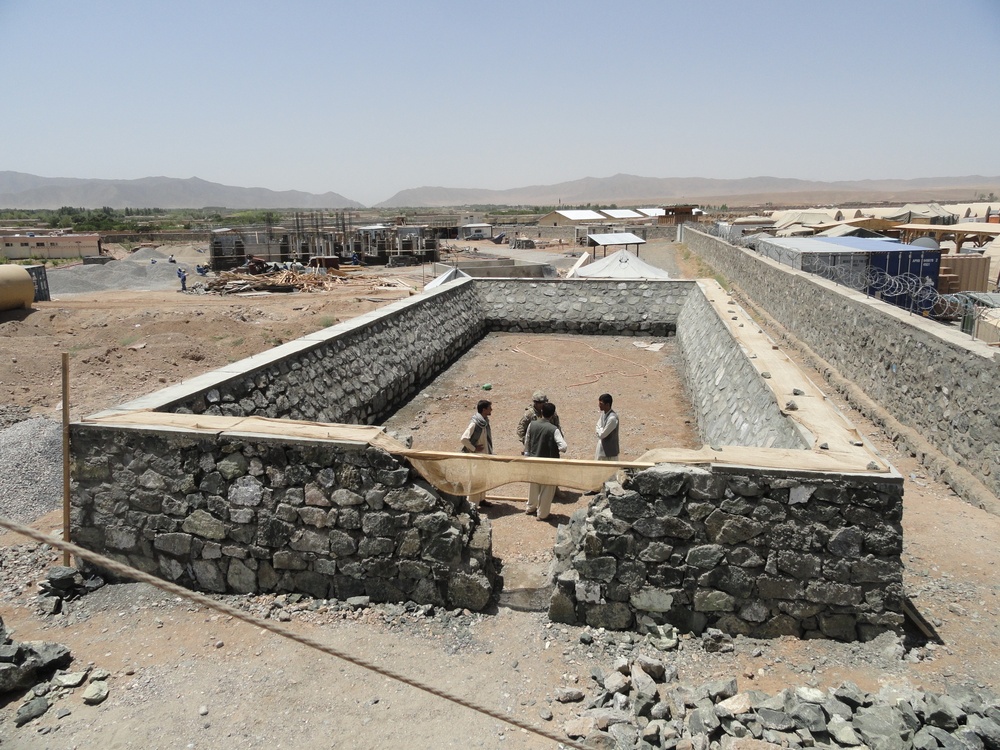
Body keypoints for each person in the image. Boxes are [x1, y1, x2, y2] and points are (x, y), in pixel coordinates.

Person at [523, 402, 567, 520]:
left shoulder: (532, 425)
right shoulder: (554, 429)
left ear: (541, 412)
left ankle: (530, 507)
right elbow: (563, 447)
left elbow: (527, 442)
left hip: (534, 460)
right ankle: (542, 514)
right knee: (547, 489)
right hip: (549, 463)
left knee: (534, 486)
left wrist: (528, 455)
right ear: (552, 415)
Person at [460, 399, 494, 509]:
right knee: (475, 480)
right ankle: (472, 504)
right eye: (489, 408)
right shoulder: (475, 423)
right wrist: (474, 448)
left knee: (483, 478)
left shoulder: (484, 422)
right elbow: (464, 439)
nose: (491, 410)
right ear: (484, 409)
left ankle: (481, 499)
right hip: (476, 457)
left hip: (484, 455)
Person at [595, 393, 619, 461]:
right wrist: (600, 430)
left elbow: (602, 435)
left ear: (607, 405)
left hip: (609, 453)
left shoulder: (612, 419)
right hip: (601, 450)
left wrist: (600, 431)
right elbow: (597, 426)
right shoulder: (603, 414)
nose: (599, 405)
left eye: (601, 404)